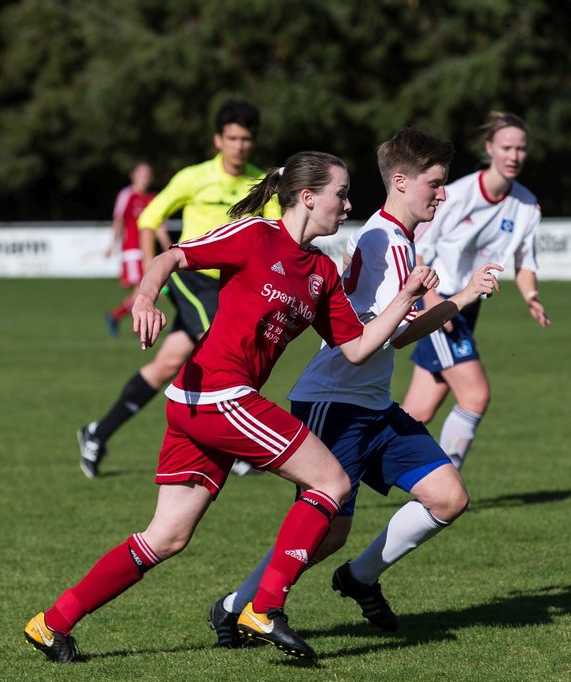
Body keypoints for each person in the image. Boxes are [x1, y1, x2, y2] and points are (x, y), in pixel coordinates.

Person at [24, 151, 434, 664]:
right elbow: (170, 257)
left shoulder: (323, 272)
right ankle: (264, 608)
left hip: (202, 404)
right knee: (330, 483)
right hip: (218, 395)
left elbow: (355, 348)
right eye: (341, 194)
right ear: (308, 198)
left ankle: (52, 622)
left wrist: (408, 297)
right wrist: (147, 299)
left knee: (167, 536)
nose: (349, 205)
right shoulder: (254, 237)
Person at [208, 129, 502, 646]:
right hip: (333, 403)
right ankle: (238, 606)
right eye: (435, 183)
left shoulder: (398, 239)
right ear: (402, 181)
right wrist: (450, 299)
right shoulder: (383, 241)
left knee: (448, 497)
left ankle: (358, 577)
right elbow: (381, 336)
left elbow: (396, 333)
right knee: (325, 529)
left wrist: (462, 296)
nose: (443, 193)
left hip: (372, 404)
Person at [77, 99, 279, 478]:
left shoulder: (260, 182)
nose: (239, 145)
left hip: (233, 288)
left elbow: (275, 235)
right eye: (232, 138)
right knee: (223, 343)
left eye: (246, 139)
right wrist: (156, 275)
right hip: (192, 277)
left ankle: (96, 433)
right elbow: (151, 219)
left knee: (168, 364)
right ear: (218, 139)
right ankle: (233, 442)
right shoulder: (194, 177)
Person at [401, 112, 550, 469]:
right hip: (441, 302)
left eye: (521, 149)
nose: (514, 156)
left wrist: (531, 297)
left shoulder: (527, 205)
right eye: (507, 147)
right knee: (475, 395)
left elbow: (524, 261)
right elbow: (416, 249)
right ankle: (445, 481)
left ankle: (350, 461)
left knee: (416, 412)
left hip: (467, 308)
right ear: (489, 149)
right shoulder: (456, 195)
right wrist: (433, 300)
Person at [103, 162, 172, 335]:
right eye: (141, 173)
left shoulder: (153, 199)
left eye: (148, 174)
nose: (145, 177)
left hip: (148, 253)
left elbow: (160, 228)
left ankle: (126, 320)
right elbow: (119, 221)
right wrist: (112, 244)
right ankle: (124, 320)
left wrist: (169, 248)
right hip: (132, 251)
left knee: (146, 290)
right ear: (133, 175)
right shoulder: (127, 195)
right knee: (143, 290)